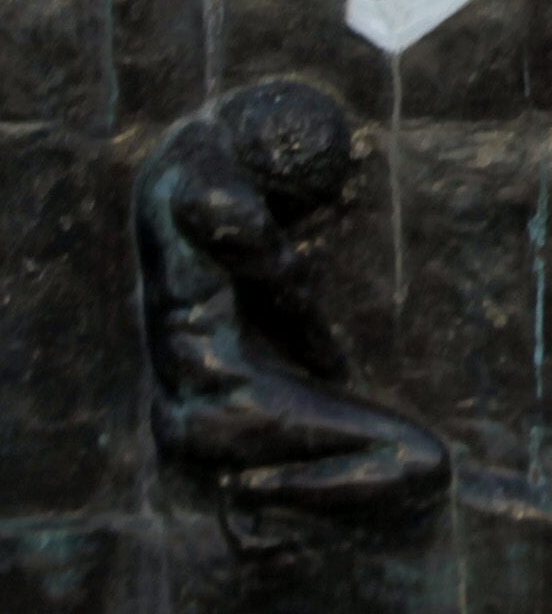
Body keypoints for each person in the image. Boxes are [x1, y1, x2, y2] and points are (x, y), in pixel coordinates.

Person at [134, 79, 449, 546]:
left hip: (203, 395)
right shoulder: (229, 206)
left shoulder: (185, 149)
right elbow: (294, 305)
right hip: (220, 404)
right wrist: (341, 379)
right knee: (421, 457)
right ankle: (253, 493)